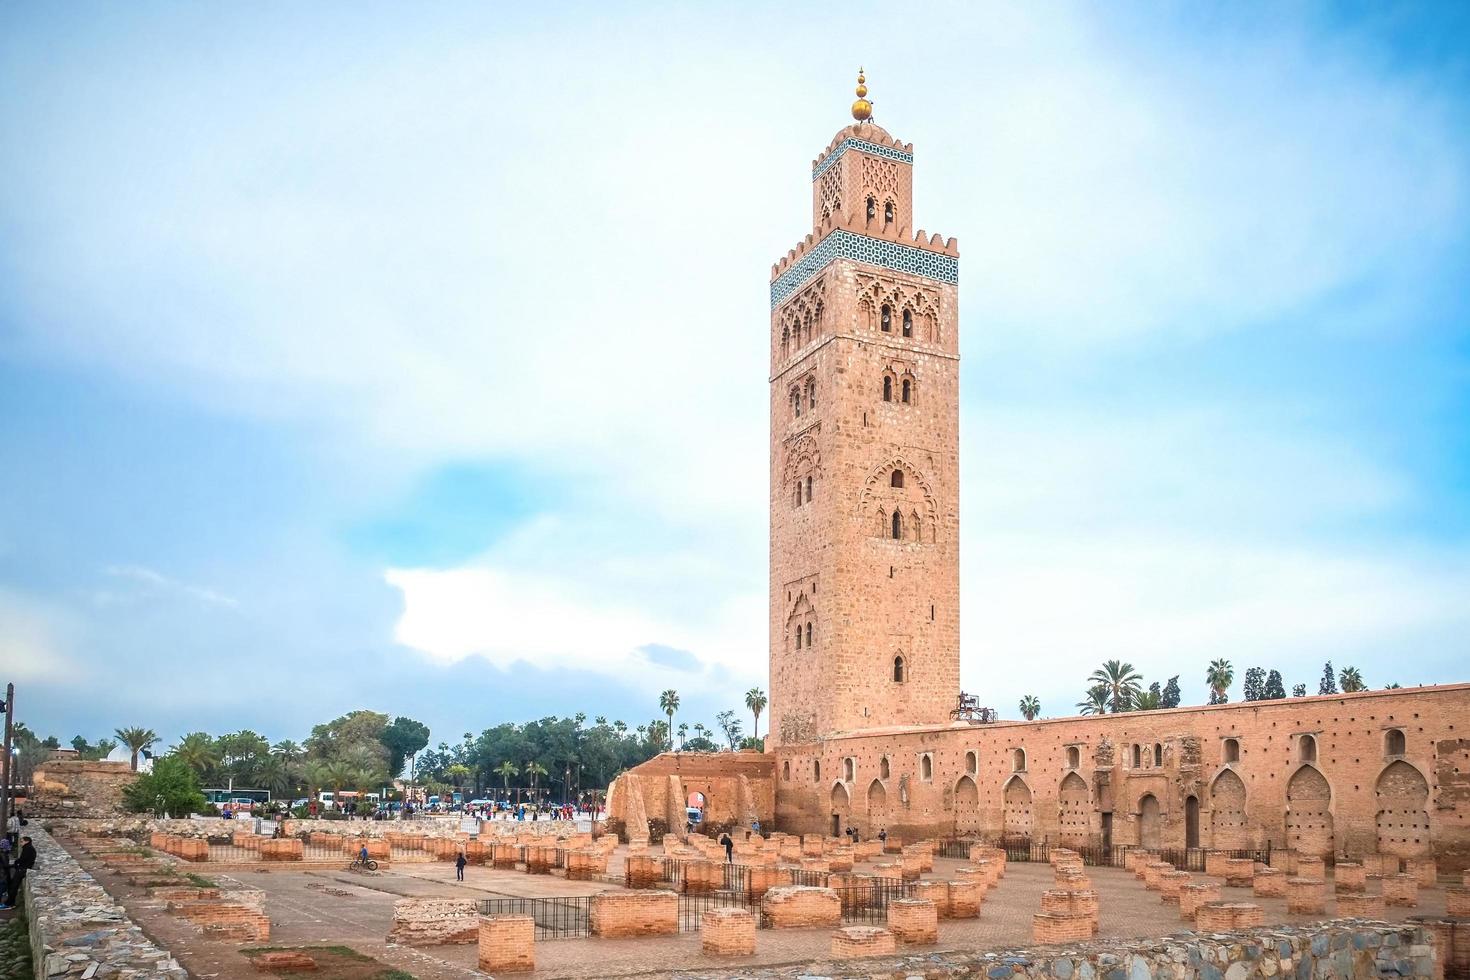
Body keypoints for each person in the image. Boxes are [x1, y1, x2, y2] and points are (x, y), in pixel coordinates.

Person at [2, 836, 34, 909]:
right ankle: (10, 902)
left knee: (14, 887)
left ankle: (9, 904)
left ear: (27, 841)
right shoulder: (28, 848)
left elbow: (23, 859)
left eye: (22, 841)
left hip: (22, 869)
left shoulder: (28, 849)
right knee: (13, 886)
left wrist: (16, 863)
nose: (20, 843)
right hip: (23, 869)